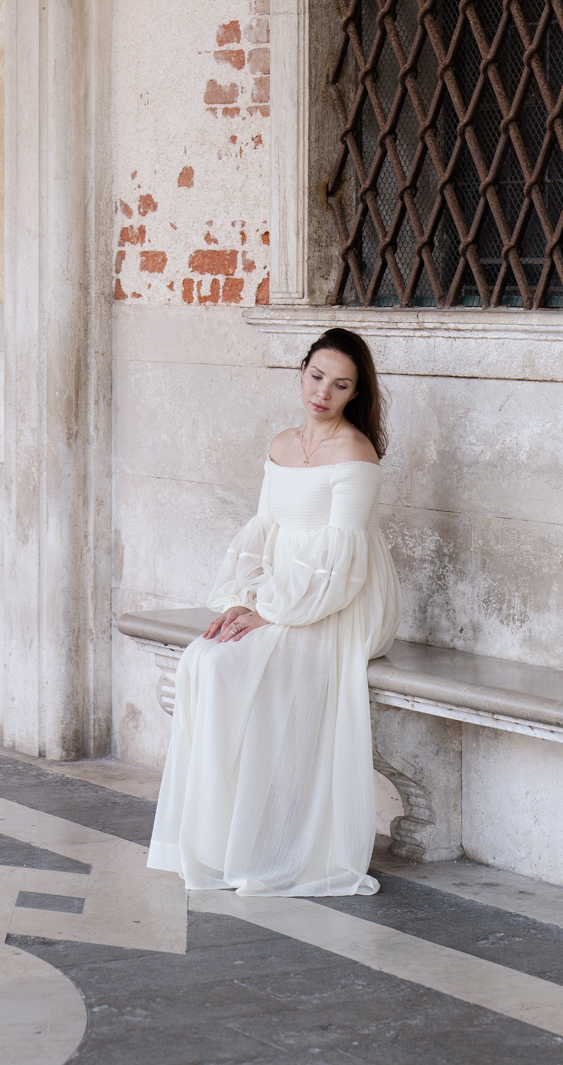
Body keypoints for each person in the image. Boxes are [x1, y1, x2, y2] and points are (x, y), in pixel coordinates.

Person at [146, 325, 400, 896]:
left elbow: (344, 558)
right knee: (203, 661)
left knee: (235, 666)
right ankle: (220, 835)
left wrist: (273, 611)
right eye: (316, 378)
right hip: (281, 591)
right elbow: (263, 534)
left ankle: (270, 841)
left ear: (355, 393)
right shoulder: (282, 444)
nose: (323, 394)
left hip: (340, 599)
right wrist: (242, 598)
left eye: (340, 386)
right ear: (302, 370)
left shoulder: (355, 452)